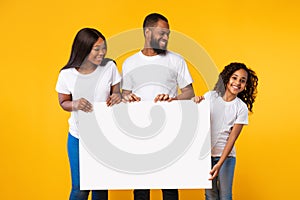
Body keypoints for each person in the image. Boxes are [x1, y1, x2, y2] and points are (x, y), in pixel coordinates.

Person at [122, 13, 195, 200]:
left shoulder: (176, 60)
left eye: (168, 34)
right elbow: (124, 95)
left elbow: (189, 93)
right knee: (140, 189)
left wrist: (172, 100)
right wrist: (127, 98)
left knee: (169, 187)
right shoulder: (129, 63)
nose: (166, 38)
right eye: (162, 33)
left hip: (168, 132)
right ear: (148, 32)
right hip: (138, 133)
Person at [55, 28, 121, 200]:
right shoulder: (66, 74)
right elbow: (63, 102)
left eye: (103, 48)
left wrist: (116, 96)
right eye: (97, 49)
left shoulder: (110, 67)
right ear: (84, 49)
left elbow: (117, 93)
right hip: (78, 137)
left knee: (100, 188)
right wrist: (75, 104)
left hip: (104, 137)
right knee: (79, 188)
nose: (102, 53)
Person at [193, 62, 258, 200]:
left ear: (246, 85)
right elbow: (196, 121)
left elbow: (232, 139)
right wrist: (196, 102)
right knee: (210, 194)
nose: (237, 83)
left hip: (226, 158)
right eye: (234, 78)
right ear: (227, 78)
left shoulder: (241, 108)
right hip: (206, 156)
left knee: (225, 195)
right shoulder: (211, 97)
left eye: (242, 80)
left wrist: (220, 163)